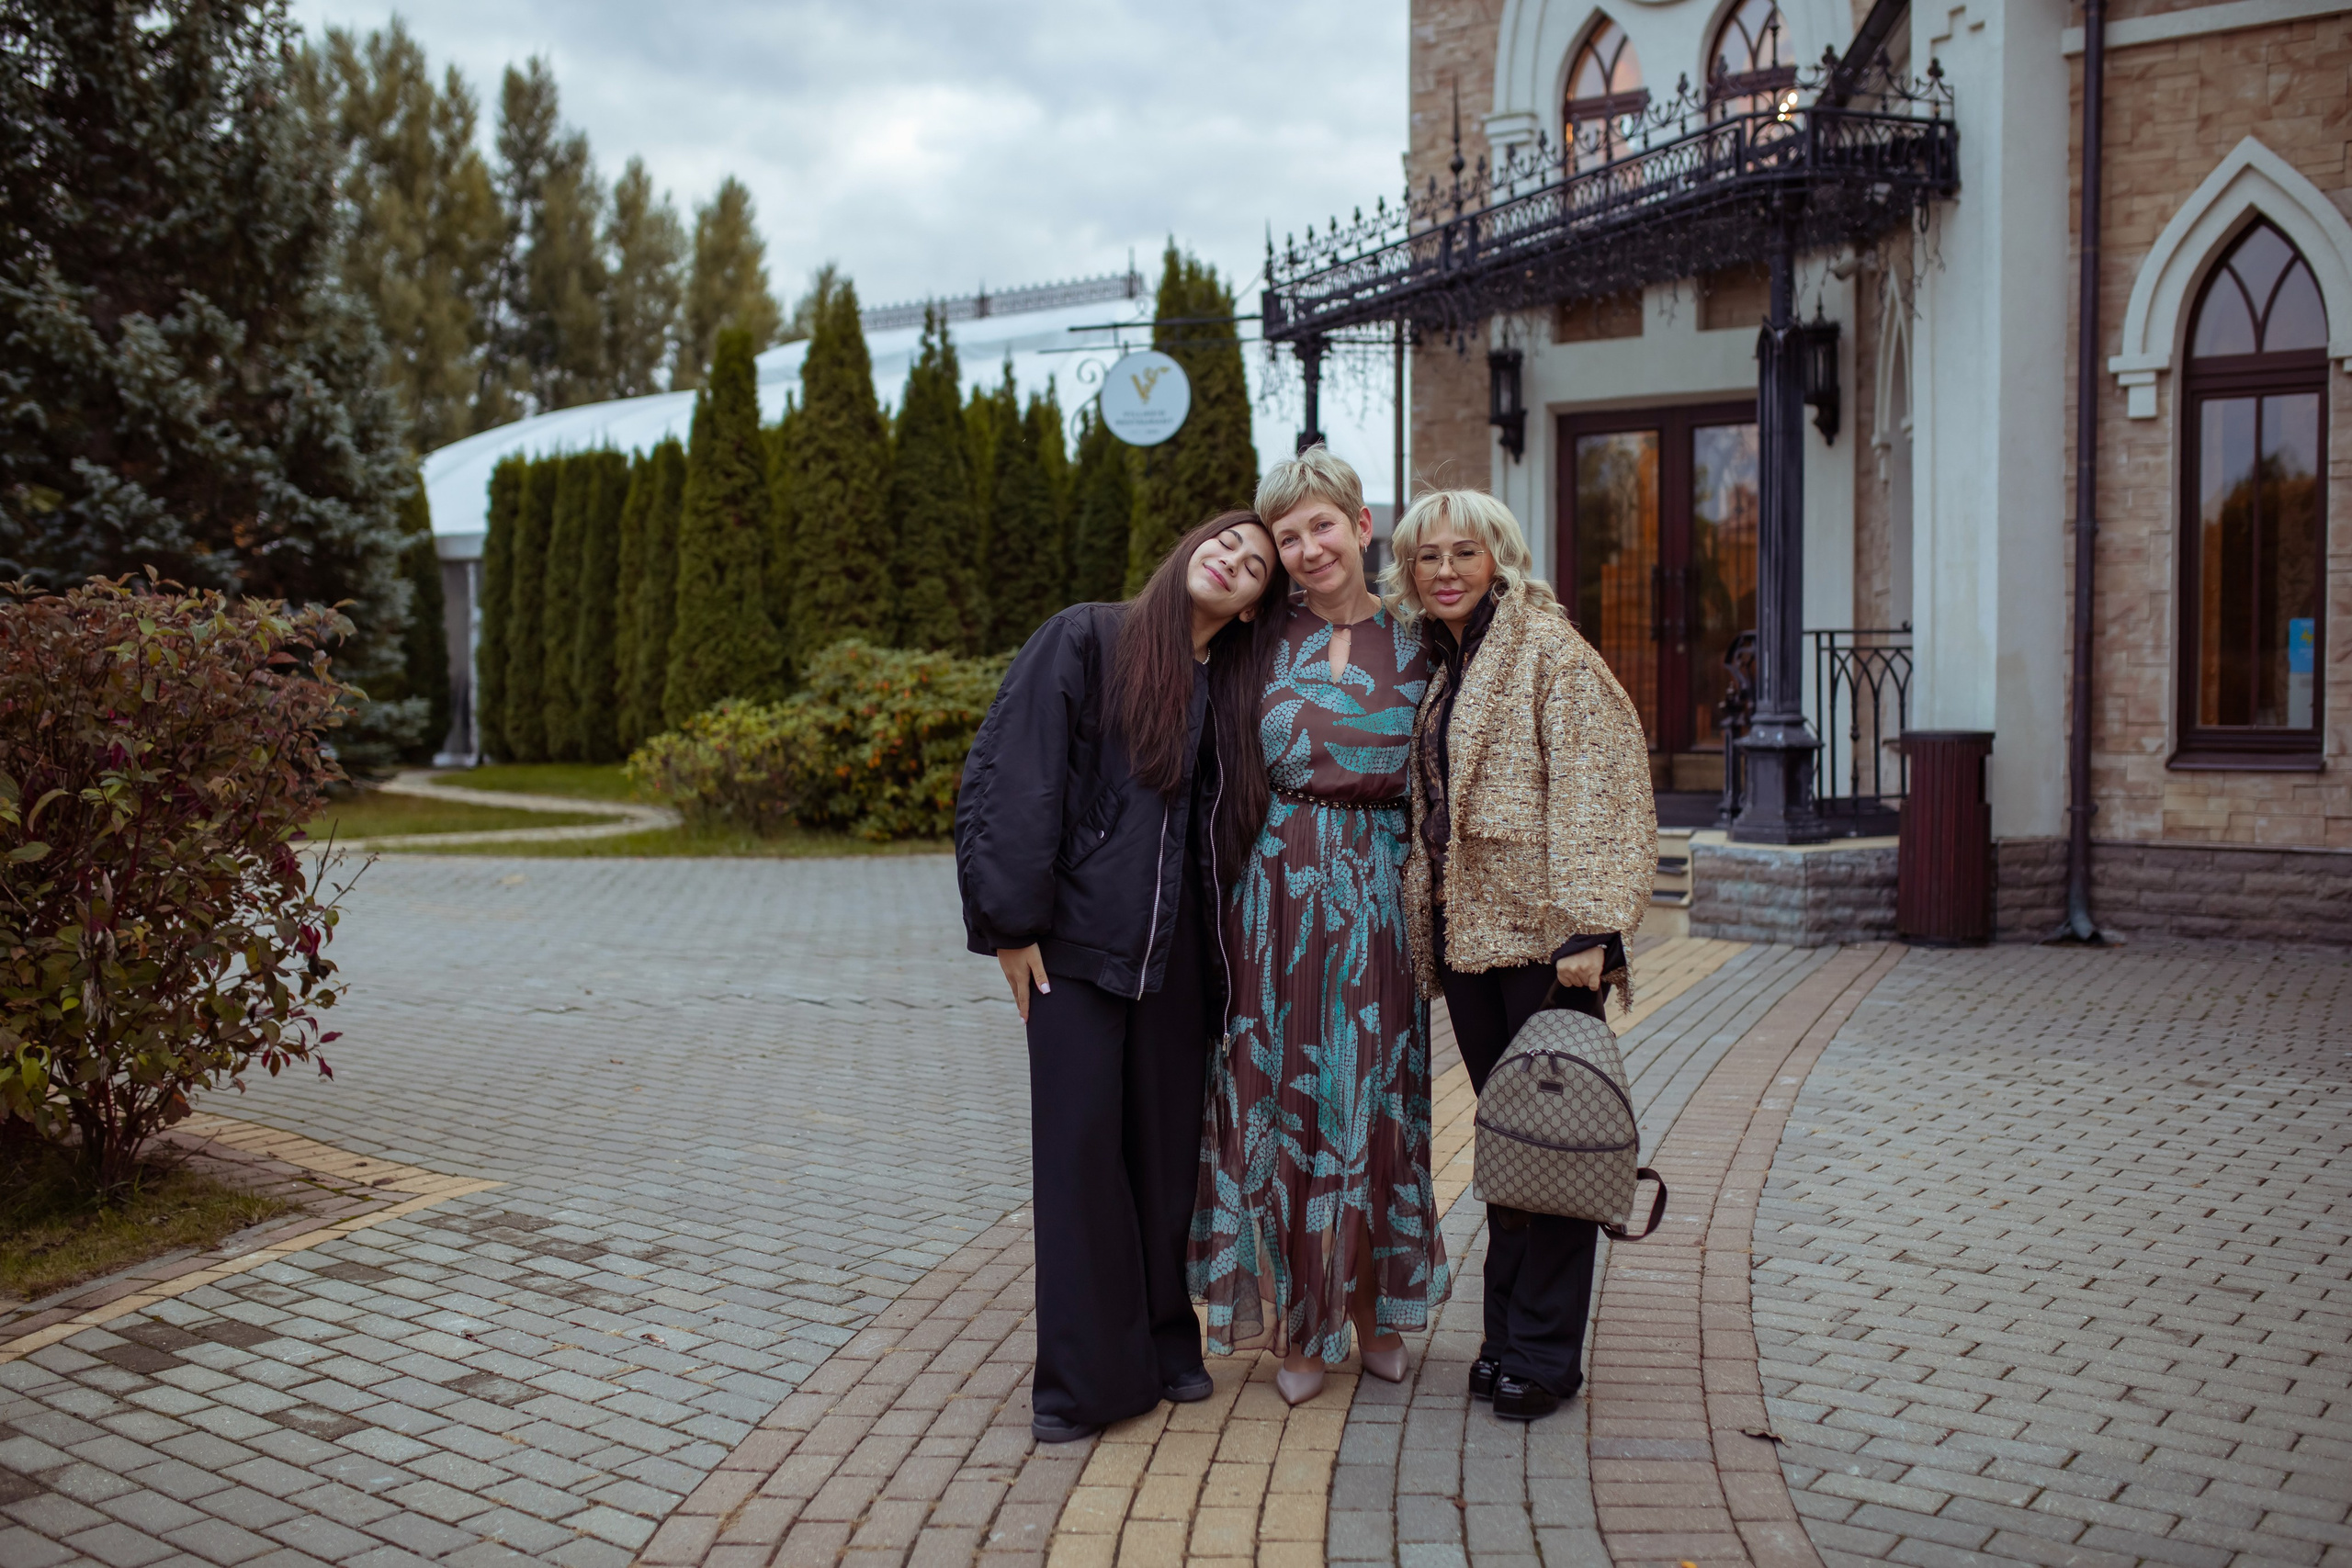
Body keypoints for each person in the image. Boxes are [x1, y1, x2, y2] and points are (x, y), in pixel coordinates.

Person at [956, 513, 1288, 1442]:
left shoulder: (1230, 687)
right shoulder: (1087, 637)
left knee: (1161, 1163)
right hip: (1077, 952)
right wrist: (1010, 925)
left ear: (1256, 604)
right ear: (1190, 549)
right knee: (1078, 1161)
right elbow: (1012, 778)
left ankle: (1165, 1343)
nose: (1232, 560)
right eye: (1225, 543)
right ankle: (1079, 1385)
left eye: (1253, 565)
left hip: (1179, 963)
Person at [1190, 447, 1448, 1406]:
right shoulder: (1258, 642)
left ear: (1361, 524)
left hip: (1382, 891)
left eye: (1320, 527)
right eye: (1287, 536)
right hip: (1278, 893)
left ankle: (1379, 1313)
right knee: (1282, 1110)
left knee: (1379, 1103)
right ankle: (1303, 1326)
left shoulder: (1425, 642)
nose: (1305, 549)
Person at [1392, 489, 1656, 1422]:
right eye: (1428, 558)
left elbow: (1602, 784)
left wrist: (1590, 926)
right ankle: (1504, 1334)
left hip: (1546, 946)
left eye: (1464, 553)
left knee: (1556, 1141)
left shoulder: (1547, 650)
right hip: (1470, 943)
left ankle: (1543, 1355)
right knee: (1511, 1146)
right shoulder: (1441, 662)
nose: (1446, 571)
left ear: (1499, 558)